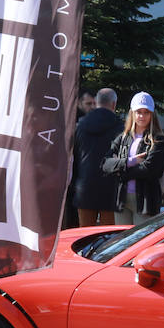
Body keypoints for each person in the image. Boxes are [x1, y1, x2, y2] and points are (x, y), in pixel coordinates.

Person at [102, 91, 164, 226]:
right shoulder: (123, 137)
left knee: (142, 243)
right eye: (138, 111)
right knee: (122, 241)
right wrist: (129, 161)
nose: (142, 116)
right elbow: (105, 164)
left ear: (152, 114)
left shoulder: (158, 140)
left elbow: (149, 170)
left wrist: (120, 171)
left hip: (145, 200)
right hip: (122, 199)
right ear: (132, 113)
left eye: (146, 112)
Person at [72, 88, 123, 226]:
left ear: (96, 102)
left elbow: (74, 158)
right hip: (110, 190)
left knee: (84, 236)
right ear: (114, 104)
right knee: (109, 239)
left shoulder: (80, 125)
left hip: (84, 187)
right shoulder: (121, 127)